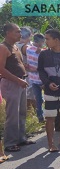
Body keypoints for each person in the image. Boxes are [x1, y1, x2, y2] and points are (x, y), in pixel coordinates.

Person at [0, 23, 32, 153]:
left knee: (21, 112)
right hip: (11, 83)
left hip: (20, 83)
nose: (20, 34)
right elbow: (1, 69)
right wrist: (18, 80)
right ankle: (10, 143)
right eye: (17, 32)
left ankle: (21, 138)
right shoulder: (3, 47)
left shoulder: (15, 47)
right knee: (12, 114)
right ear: (8, 33)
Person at [25, 33, 46, 122]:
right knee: (46, 98)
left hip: (32, 78)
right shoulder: (43, 51)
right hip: (42, 79)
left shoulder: (28, 49)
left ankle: (40, 117)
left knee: (38, 99)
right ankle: (45, 116)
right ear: (40, 42)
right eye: (43, 42)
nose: (43, 43)